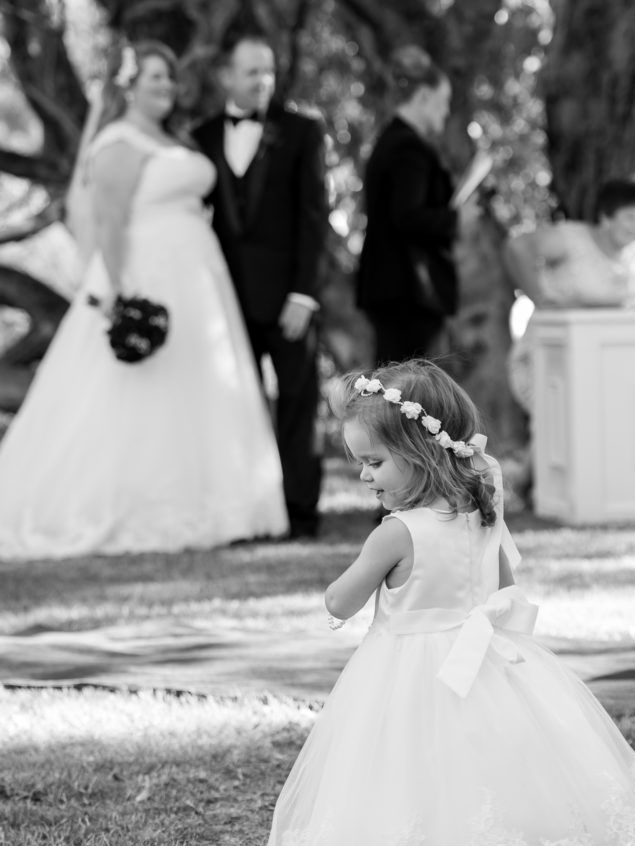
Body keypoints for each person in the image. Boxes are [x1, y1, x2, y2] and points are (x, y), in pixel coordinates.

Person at [253, 359, 635, 846]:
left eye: (373, 462)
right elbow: (503, 585)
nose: (363, 476)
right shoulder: (481, 510)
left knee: (425, 781)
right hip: (480, 662)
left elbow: (339, 601)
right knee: (461, 783)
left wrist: (350, 581)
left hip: (414, 671)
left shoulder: (394, 533)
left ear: (421, 453)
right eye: (359, 463)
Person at [0, 41, 288, 560]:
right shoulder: (116, 142)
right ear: (128, 84)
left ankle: (218, 504)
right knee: (139, 394)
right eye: (154, 77)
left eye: (170, 78)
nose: (165, 87)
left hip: (199, 278)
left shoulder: (171, 137)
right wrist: (121, 295)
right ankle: (136, 505)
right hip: (146, 274)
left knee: (196, 386)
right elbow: (108, 222)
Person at [193, 26, 328, 540]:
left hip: (288, 297)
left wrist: (303, 294)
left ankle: (300, 514)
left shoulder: (303, 132)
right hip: (226, 303)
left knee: (297, 403)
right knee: (235, 408)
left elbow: (315, 218)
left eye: (268, 70)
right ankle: (245, 511)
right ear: (226, 76)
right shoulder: (202, 137)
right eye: (251, 71)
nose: (262, 81)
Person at [504, 179, 635, 411]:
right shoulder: (571, 238)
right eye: (630, 217)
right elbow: (518, 248)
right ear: (607, 216)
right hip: (553, 356)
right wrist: (542, 300)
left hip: (607, 363)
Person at [356, 46, 458, 365]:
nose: (445, 113)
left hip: (393, 289)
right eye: (443, 104)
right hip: (407, 292)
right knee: (406, 390)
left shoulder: (391, 140)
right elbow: (407, 217)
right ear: (424, 97)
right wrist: (455, 219)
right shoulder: (408, 147)